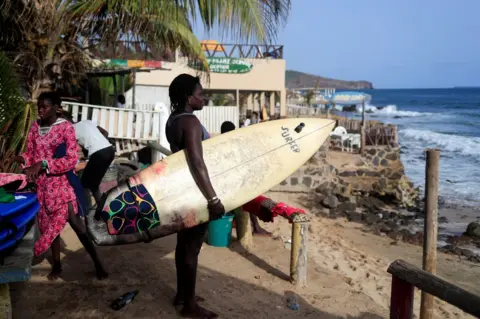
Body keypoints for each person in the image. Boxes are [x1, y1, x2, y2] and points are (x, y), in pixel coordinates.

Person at [9, 92, 107, 281]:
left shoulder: (66, 128)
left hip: (61, 186)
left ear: (56, 108)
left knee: (77, 226)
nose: (41, 110)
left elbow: (71, 160)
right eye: (39, 107)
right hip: (42, 188)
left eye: (45, 107)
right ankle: (57, 266)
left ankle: (98, 263)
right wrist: (22, 159)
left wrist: (44, 164)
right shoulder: (35, 128)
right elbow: (31, 155)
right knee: (49, 229)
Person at [166, 74, 224, 319]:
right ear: (188, 98)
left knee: (184, 246)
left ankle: (183, 295)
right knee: (191, 248)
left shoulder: (173, 119)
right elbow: (197, 162)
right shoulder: (189, 121)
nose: (204, 98)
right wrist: (213, 199)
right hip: (195, 192)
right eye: (200, 94)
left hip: (183, 189)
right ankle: (189, 306)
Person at [220, 121, 272, 236]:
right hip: (234, 182)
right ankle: (256, 227)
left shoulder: (220, 143)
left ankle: (254, 226)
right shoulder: (231, 143)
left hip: (227, 181)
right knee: (249, 198)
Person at [61, 112, 115, 207]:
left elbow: (70, 151)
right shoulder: (87, 122)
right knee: (94, 185)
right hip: (110, 150)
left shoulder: (70, 130)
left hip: (99, 154)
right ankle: (102, 208)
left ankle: (88, 210)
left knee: (84, 184)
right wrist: (100, 144)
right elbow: (105, 132)